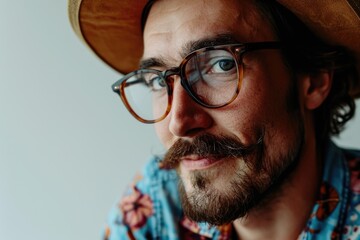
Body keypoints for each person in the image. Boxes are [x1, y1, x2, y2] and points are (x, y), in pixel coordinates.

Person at [69, 0, 360, 239]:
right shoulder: (158, 200)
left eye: (220, 64)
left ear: (314, 80)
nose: (178, 122)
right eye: (158, 81)